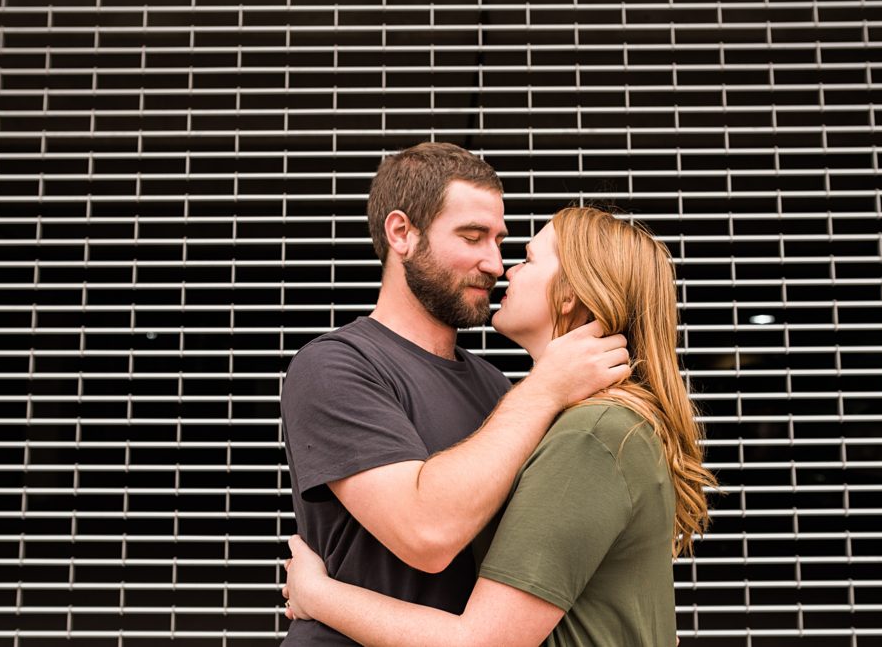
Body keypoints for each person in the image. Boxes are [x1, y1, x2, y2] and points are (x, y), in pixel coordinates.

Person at [282, 206, 718, 646]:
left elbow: (481, 642)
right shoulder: (567, 420)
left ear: (569, 295)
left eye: (527, 259)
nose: (502, 268)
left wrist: (316, 594)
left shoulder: (593, 433)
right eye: (473, 238)